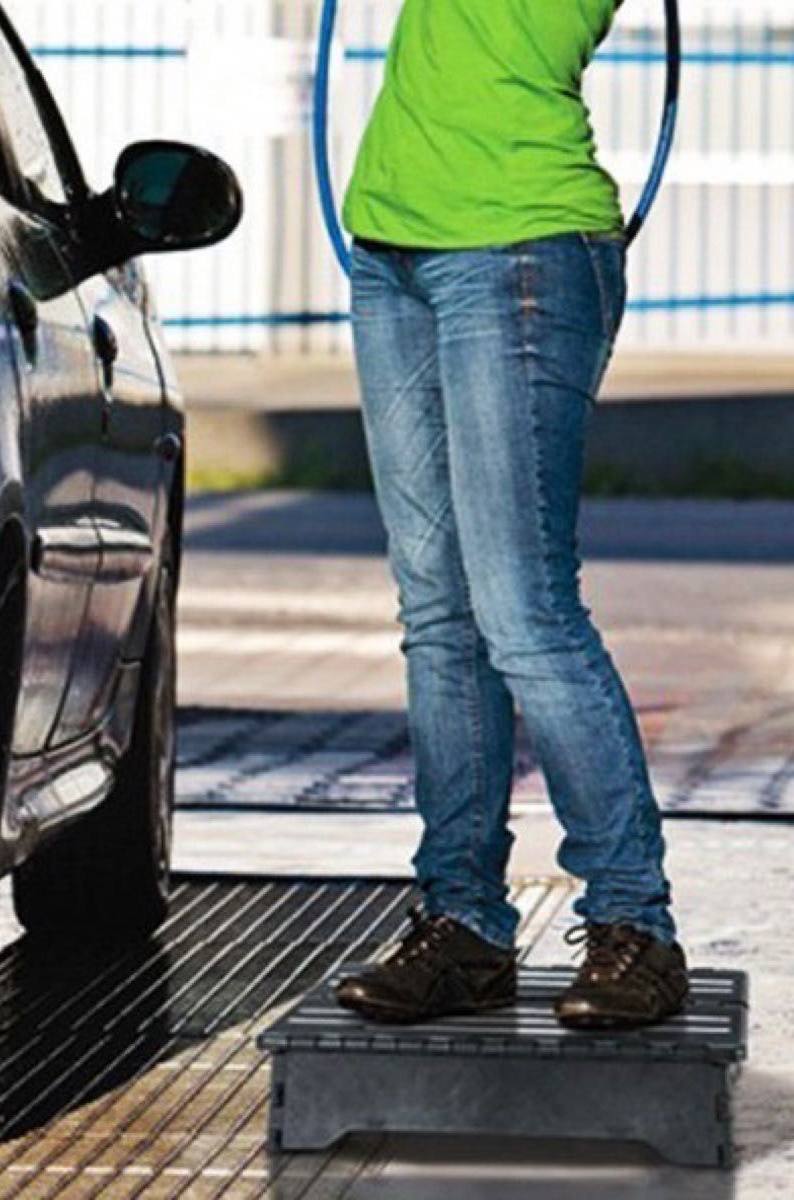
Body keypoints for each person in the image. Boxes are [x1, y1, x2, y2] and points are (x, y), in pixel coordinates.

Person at [333, 0, 688, 1030]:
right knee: (439, 617)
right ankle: (465, 924)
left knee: (523, 612)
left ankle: (636, 925)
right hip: (392, 246)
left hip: (523, 249)